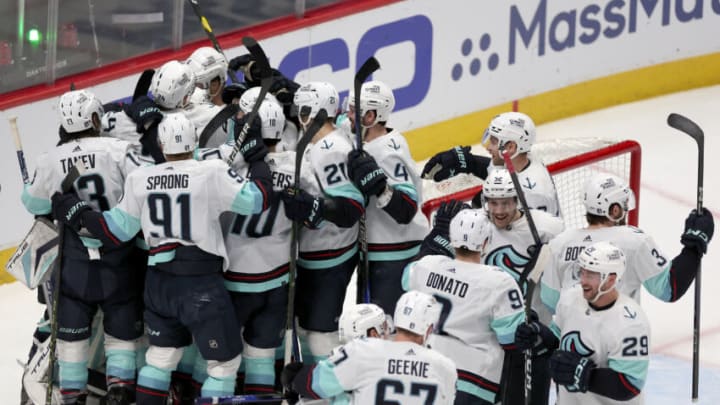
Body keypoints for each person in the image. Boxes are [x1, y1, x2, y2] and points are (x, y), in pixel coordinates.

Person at [50, 111, 273, 403]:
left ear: (162, 145)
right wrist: (258, 161)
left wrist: (74, 210)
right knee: (224, 362)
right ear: (193, 142)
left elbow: (113, 231)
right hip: (200, 284)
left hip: (157, 286)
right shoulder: (212, 170)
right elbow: (257, 200)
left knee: (161, 357)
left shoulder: (140, 179)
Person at [22, 89, 145, 404]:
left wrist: (32, 188)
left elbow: (34, 203)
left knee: (72, 339)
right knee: (120, 336)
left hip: (74, 265)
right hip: (119, 258)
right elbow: (145, 186)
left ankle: (73, 396)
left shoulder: (50, 159)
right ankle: (118, 391)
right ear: (94, 118)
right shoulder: (121, 150)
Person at [540, 173, 715, 312]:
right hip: (619, 341)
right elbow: (670, 289)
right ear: (614, 210)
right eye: (623, 205)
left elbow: (551, 302)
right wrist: (695, 243)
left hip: (572, 344)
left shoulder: (560, 243)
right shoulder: (634, 241)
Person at [279, 81, 365, 363]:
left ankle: (327, 394)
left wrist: (313, 207)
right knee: (306, 329)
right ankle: (313, 390)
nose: (298, 117)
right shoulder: (323, 140)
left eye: (301, 110)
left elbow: (351, 206)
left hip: (330, 256)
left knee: (319, 336)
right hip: (317, 254)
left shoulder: (330, 148)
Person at [403, 209, 525, 404]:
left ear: (452, 238)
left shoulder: (427, 265)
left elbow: (405, 278)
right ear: (486, 242)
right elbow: (511, 340)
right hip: (473, 381)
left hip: (427, 371)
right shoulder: (499, 282)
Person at [518, 241, 651, 404]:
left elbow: (630, 384)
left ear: (611, 279)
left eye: (592, 275)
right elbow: (558, 342)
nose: (583, 281)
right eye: (582, 272)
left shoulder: (631, 323)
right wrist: (539, 334)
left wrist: (584, 375)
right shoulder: (570, 299)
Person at [478, 168, 564, 405]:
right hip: (493, 339)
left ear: (517, 200)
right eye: (493, 203)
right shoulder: (476, 226)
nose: (499, 210)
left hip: (534, 338)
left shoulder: (548, 229)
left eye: (505, 203)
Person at [343, 80, 429, 315]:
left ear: (369, 117)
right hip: (375, 250)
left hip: (396, 255)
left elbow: (407, 209)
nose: (347, 115)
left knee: (386, 327)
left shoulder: (389, 153)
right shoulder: (363, 134)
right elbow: (334, 123)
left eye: (352, 110)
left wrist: (380, 187)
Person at [281, 291, 457, 404]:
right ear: (429, 328)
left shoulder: (364, 351)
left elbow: (314, 385)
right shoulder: (445, 367)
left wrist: (295, 380)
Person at [421, 112, 561, 216]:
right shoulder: (522, 159)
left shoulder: (532, 193)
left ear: (511, 147)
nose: (488, 147)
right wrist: (469, 162)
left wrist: (468, 217)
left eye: (494, 141)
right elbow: (500, 170)